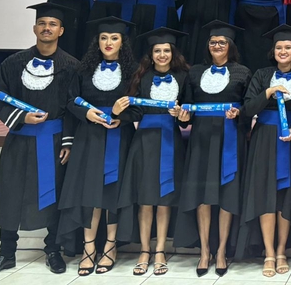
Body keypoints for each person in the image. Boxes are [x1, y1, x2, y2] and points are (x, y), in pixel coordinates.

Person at [0, 3, 78, 279]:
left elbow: (74, 106)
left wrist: (68, 141)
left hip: (54, 141)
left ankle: (53, 250)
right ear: (35, 28)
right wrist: (21, 117)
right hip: (19, 139)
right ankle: (6, 253)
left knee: (53, 195)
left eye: (52, 24)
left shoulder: (72, 67)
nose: (47, 28)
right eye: (42, 23)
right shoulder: (13, 63)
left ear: (61, 30)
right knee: (10, 193)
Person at [57, 16, 138, 276]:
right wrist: (87, 114)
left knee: (112, 191)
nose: (108, 42)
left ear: (123, 42)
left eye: (114, 38)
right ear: (97, 42)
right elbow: (71, 100)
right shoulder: (83, 69)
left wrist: (121, 117)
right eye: (104, 38)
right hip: (89, 135)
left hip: (119, 135)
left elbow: (139, 106)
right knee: (89, 191)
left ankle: (111, 246)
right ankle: (88, 247)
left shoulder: (134, 71)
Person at [173, 20, 251, 277]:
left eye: (222, 42)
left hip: (230, 137)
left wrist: (239, 113)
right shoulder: (195, 72)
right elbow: (187, 107)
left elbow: (248, 107)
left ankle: (221, 251)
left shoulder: (242, 72)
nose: (217, 46)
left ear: (231, 46)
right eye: (213, 42)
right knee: (203, 194)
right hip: (202, 138)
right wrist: (183, 117)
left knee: (227, 192)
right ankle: (205, 251)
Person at [235, 25, 291, 277]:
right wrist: (268, 91)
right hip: (265, 139)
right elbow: (247, 109)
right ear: (273, 51)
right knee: (265, 195)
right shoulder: (262, 75)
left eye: (288, 47)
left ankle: (281, 251)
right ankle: (268, 252)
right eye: (279, 47)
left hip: (290, 140)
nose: (283, 51)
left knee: (285, 196)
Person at [117, 27, 189, 276]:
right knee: (146, 198)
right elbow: (135, 111)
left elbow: (187, 115)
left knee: (165, 199)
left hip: (170, 138)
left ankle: (160, 250)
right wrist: (119, 113)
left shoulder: (183, 77)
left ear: (173, 53)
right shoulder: (142, 76)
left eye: (166, 50)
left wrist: (182, 115)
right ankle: (144, 250)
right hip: (145, 140)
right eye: (157, 51)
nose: (162, 55)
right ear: (151, 54)